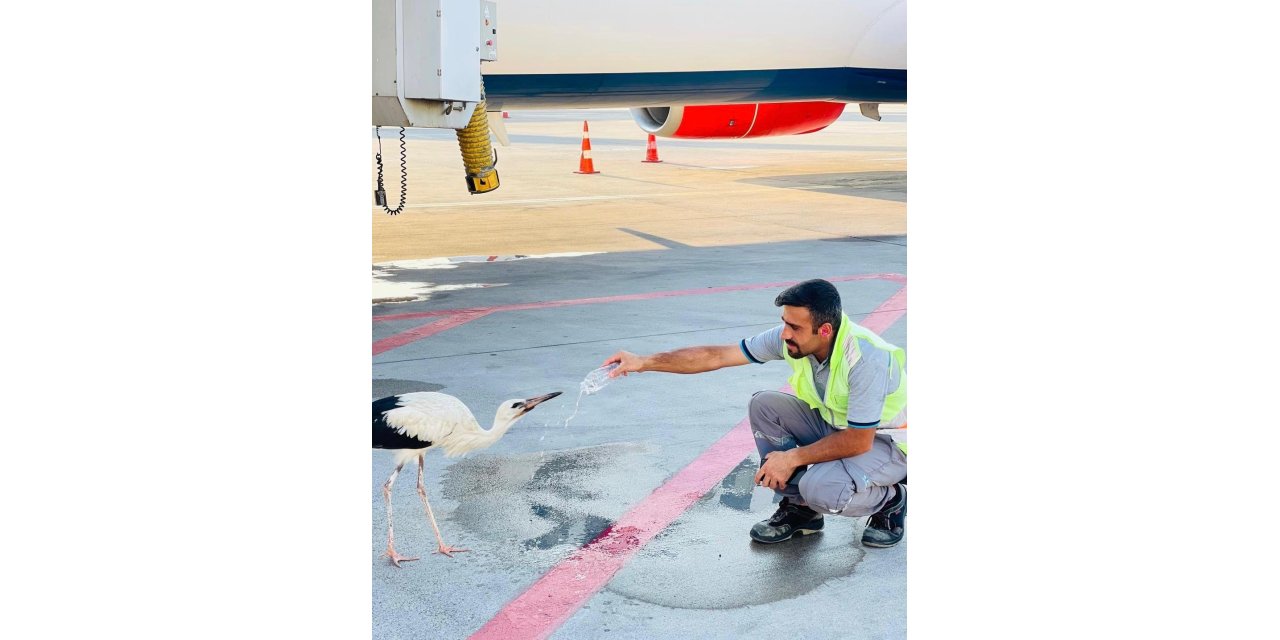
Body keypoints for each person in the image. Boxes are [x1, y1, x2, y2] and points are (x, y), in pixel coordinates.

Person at [603, 279, 908, 547]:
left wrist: (791, 458)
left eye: (794, 327)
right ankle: (801, 509)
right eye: (784, 322)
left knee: (822, 488)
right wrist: (644, 362)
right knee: (765, 406)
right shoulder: (793, 338)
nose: (785, 333)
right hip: (838, 427)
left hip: (887, 443)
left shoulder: (866, 359)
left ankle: (892, 501)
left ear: (825, 330)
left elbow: (858, 441)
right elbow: (717, 355)